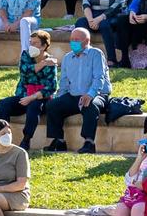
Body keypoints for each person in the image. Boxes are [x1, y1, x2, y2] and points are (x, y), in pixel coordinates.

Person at [39, 26, 110, 155]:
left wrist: (90, 94)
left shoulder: (96, 54)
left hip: (97, 94)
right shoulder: (67, 58)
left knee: (90, 105)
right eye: (72, 39)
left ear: (86, 41)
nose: (73, 42)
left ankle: (89, 142)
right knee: (53, 105)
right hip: (74, 95)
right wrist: (60, 98)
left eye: (77, 39)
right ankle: (59, 141)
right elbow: (64, 82)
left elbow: (99, 78)